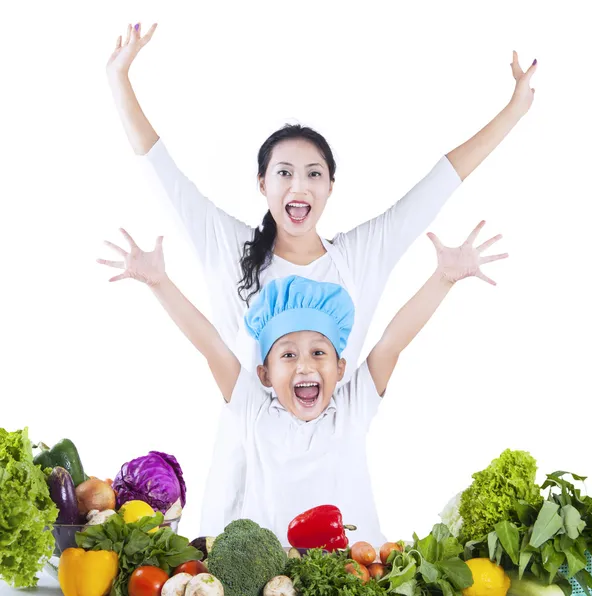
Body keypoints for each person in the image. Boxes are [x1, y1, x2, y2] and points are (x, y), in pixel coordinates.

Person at [105, 22, 534, 534]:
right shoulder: (230, 248)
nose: (298, 184)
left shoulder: (359, 257)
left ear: (331, 185)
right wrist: (119, 79)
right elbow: (161, 169)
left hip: (336, 464)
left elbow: (440, 182)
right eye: (283, 172)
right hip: (247, 464)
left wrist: (515, 110)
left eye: (313, 173)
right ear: (262, 183)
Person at [97, 220, 508, 542]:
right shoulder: (254, 410)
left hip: (358, 574)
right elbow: (211, 345)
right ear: (264, 373)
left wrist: (444, 280)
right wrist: (160, 283)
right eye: (288, 355)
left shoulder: (352, 406)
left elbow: (392, 342)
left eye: (318, 353)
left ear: (340, 368)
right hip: (275, 583)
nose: (305, 366)